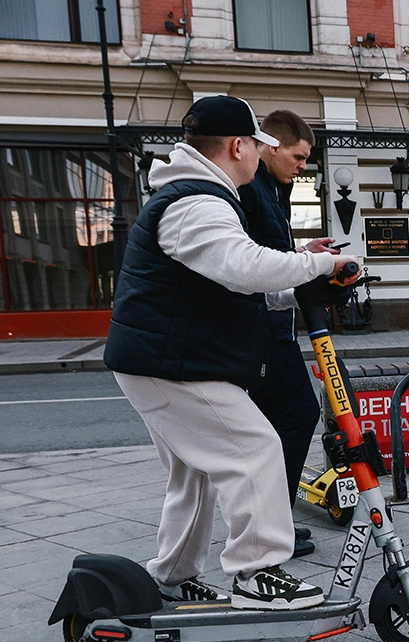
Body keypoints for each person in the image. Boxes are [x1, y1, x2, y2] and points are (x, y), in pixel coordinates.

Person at [104, 95, 359, 610]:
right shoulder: (197, 202)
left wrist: (300, 283)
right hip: (171, 364)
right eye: (257, 146)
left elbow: (232, 284)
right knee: (255, 449)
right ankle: (257, 570)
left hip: (166, 359)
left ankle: (172, 577)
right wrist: (315, 268)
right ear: (239, 145)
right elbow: (242, 267)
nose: (258, 156)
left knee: (193, 472)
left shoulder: (198, 195)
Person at [238, 110, 337, 560]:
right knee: (297, 414)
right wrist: (310, 267)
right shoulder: (255, 191)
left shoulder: (272, 190)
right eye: (298, 157)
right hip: (261, 331)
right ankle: (272, 523)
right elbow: (250, 262)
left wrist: (301, 252)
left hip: (270, 326)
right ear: (271, 147)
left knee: (277, 425)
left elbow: (268, 255)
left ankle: (267, 521)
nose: (303, 166)